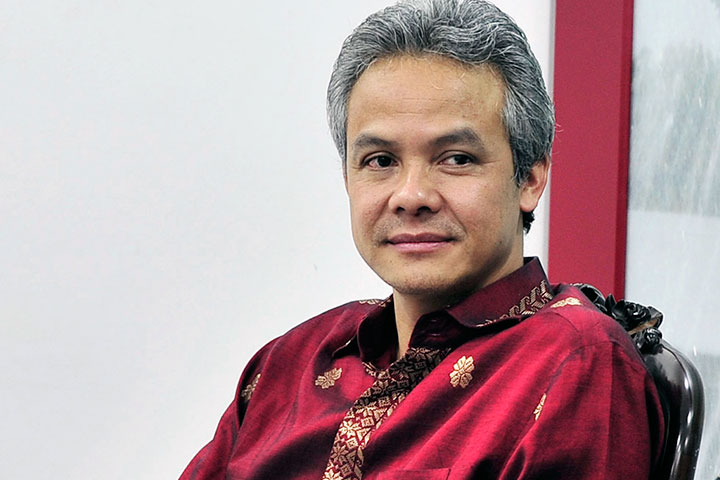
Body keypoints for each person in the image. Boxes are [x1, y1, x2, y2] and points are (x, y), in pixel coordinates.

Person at [180, 1, 664, 478]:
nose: (411, 196)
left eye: (456, 159)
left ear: (531, 178)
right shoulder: (290, 361)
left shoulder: (573, 362)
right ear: (348, 178)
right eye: (381, 161)